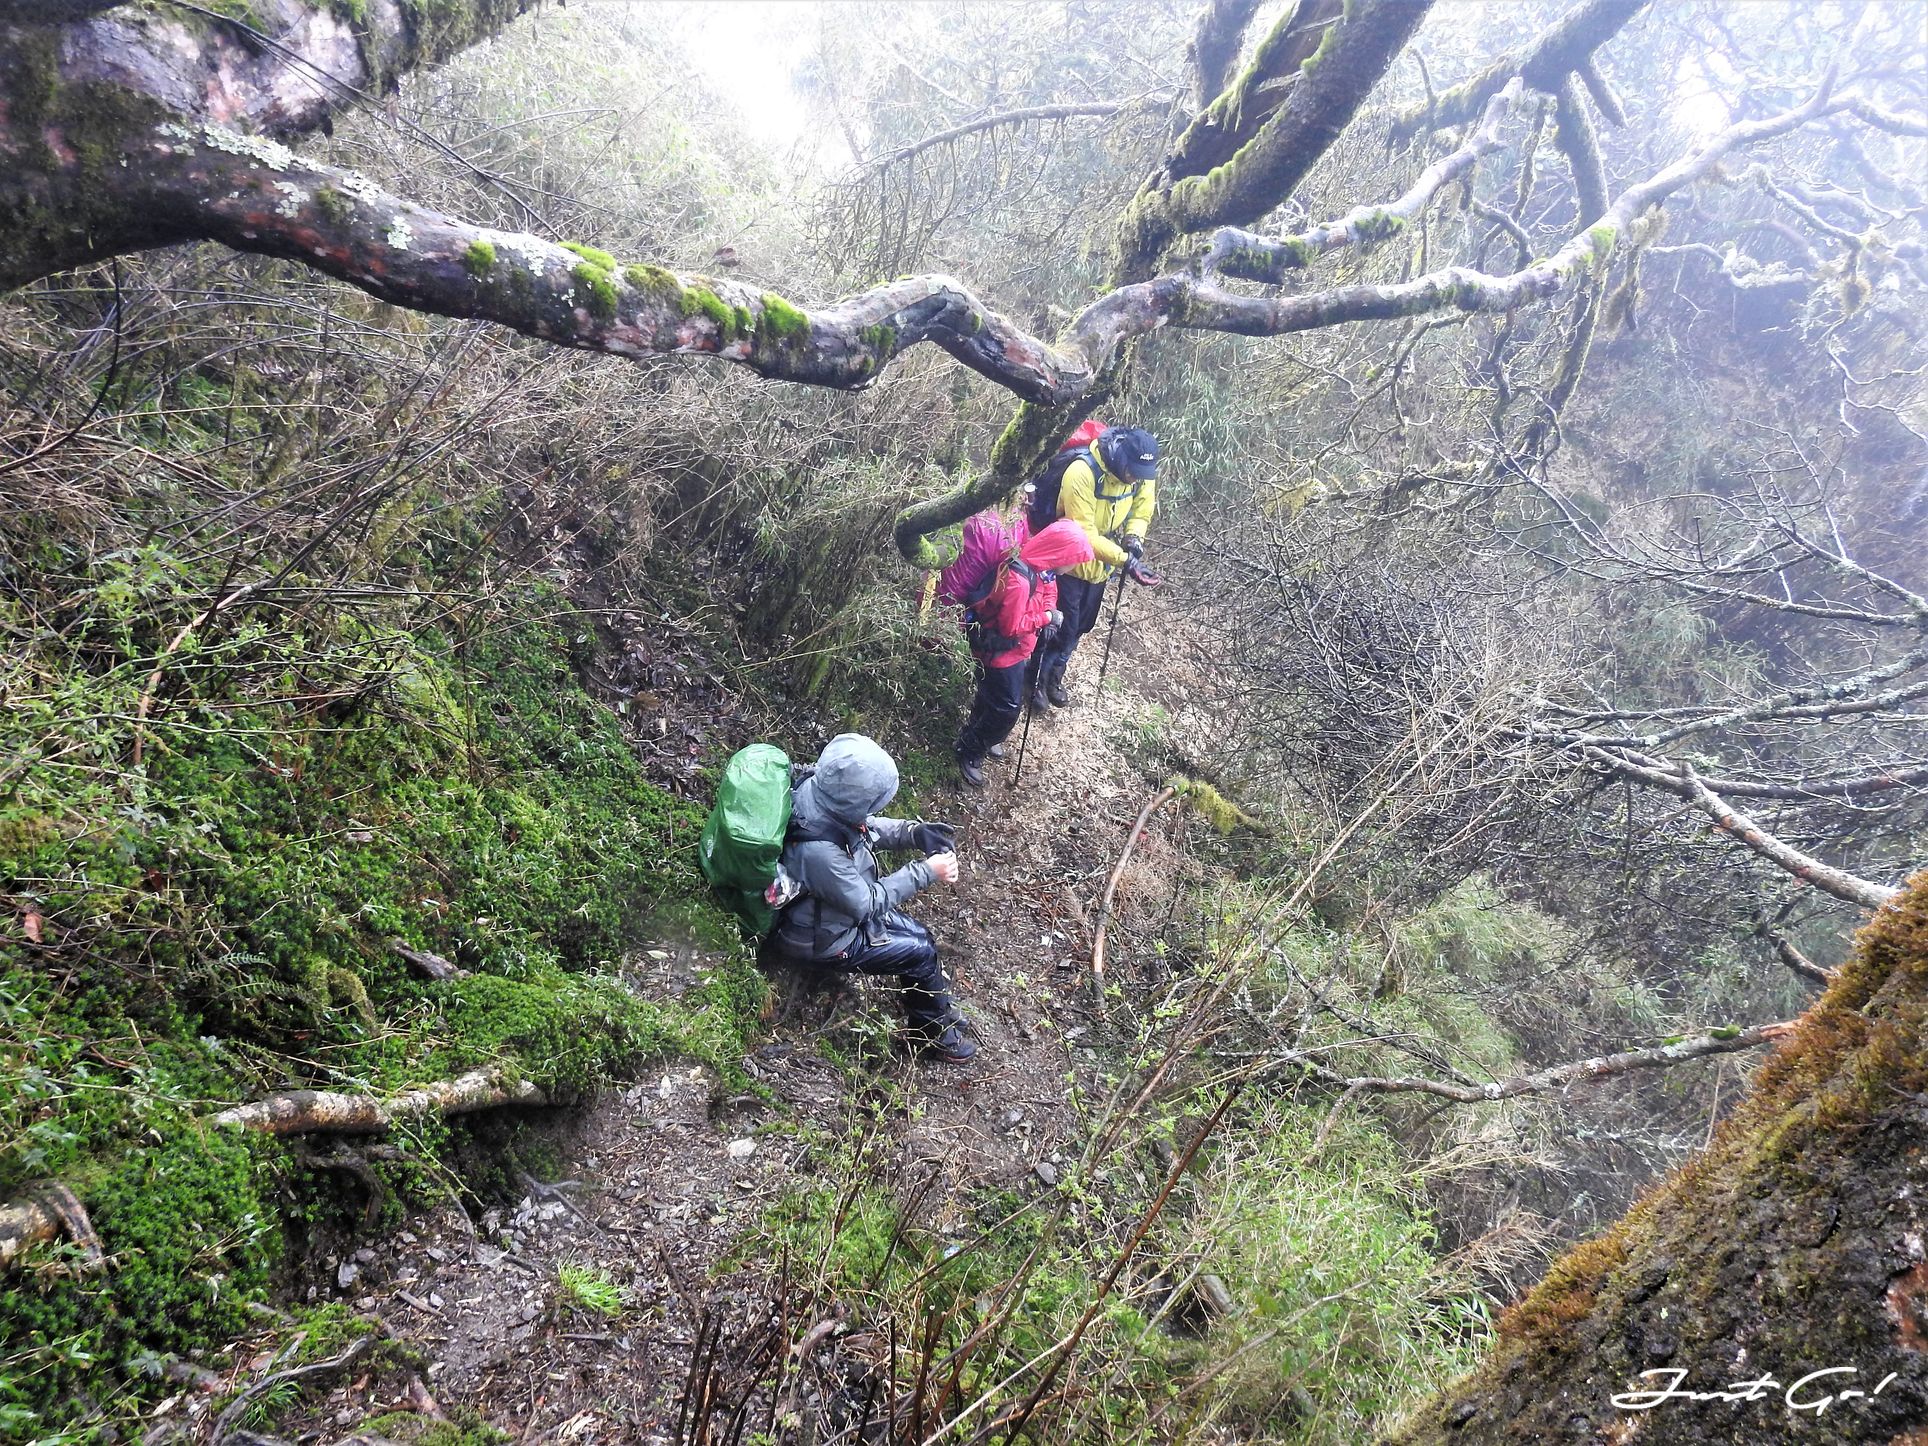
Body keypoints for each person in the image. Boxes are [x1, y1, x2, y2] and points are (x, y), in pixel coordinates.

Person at [772, 734, 976, 1062]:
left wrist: (913, 833)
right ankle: (934, 1037)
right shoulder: (819, 853)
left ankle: (935, 1008)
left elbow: (864, 828)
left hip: (833, 911)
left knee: (922, 937)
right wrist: (926, 871)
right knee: (920, 953)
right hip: (821, 939)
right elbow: (865, 904)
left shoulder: (820, 792)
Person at [1029, 426, 1161, 710]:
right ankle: (1035, 680)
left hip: (1101, 566)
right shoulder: (1082, 472)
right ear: (1122, 458)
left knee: (1082, 625)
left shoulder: (1140, 472)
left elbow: (1143, 505)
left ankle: (1054, 676)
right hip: (1069, 563)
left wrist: (1134, 536)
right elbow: (1083, 533)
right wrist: (1126, 561)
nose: (1137, 478)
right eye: (1134, 472)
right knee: (1062, 626)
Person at [954, 518, 1094, 786]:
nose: (1074, 567)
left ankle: (982, 733)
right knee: (1006, 709)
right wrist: (1045, 618)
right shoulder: (1019, 581)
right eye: (1073, 560)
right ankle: (970, 749)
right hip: (1000, 653)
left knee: (992, 698)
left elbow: (1049, 590)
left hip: (1017, 651)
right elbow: (1010, 627)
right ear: (1060, 554)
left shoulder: (1042, 568)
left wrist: (1049, 610)